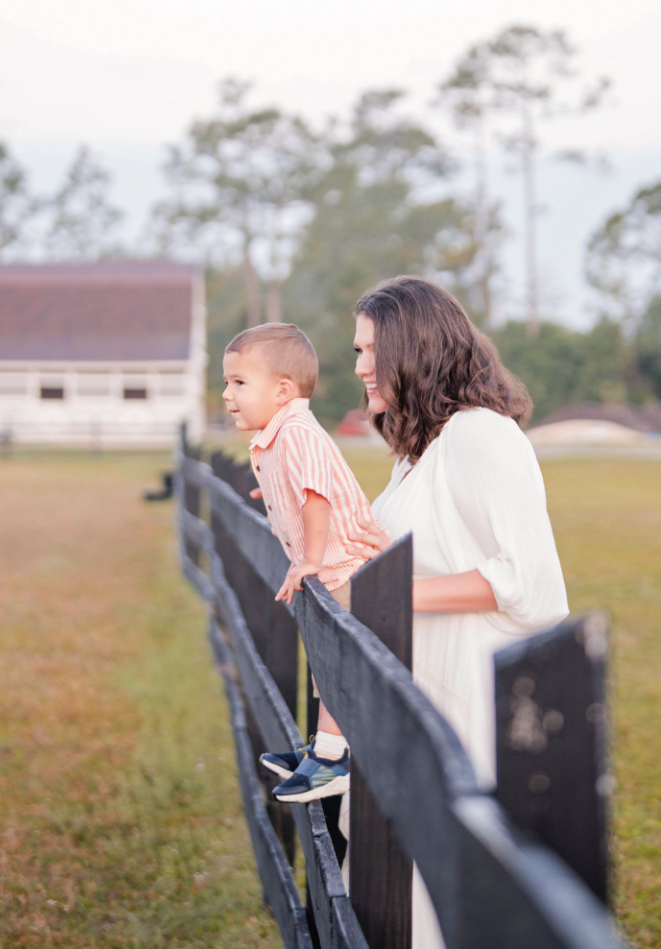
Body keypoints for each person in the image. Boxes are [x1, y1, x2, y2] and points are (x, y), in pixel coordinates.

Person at [348, 277, 569, 948]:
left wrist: (390, 594)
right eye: (357, 351)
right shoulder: (418, 451)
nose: (359, 367)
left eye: (371, 351)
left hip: (465, 695)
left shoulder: (481, 435)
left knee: (446, 896)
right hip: (419, 687)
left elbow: (530, 583)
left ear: (414, 349)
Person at [222, 322, 372, 804]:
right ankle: (324, 750)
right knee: (326, 661)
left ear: (283, 390)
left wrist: (309, 559)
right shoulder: (280, 434)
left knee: (336, 663)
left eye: (239, 383)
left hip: (346, 566)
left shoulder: (297, 433)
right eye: (227, 382)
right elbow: (297, 492)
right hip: (334, 568)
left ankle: (331, 760)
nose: (227, 395)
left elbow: (316, 495)